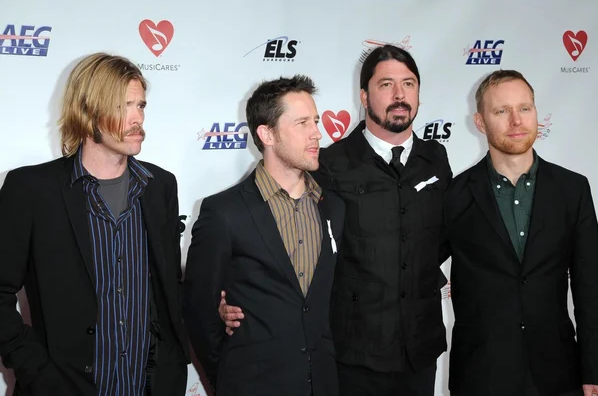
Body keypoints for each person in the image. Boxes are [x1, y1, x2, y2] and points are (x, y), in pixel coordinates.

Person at [220, 44, 452, 395]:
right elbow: (264, 216)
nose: (400, 94)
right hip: (352, 355)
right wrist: (226, 298)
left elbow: (444, 239)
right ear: (364, 94)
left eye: (409, 83)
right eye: (386, 84)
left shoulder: (437, 158)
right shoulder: (329, 163)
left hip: (421, 348)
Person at [0, 53, 190, 396]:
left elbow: (167, 289)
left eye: (141, 105)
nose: (137, 118)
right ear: (88, 113)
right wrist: (35, 369)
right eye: (123, 106)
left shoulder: (160, 186)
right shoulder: (31, 190)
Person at [183, 75, 345, 396]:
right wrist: (230, 377)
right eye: (302, 123)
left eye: (315, 120)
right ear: (266, 134)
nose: (317, 132)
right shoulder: (224, 212)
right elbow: (198, 312)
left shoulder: (334, 207)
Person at [444, 69, 598, 396]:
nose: (517, 121)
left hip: (559, 374)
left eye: (524, 108)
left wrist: (594, 371)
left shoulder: (573, 189)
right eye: (502, 111)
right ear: (480, 122)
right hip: (481, 375)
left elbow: (590, 288)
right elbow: (419, 270)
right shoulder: (454, 194)